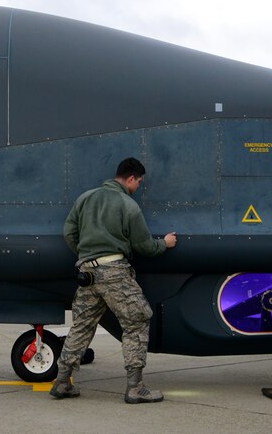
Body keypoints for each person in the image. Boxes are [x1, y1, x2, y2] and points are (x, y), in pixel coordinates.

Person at [50, 157, 177, 404]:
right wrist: (166, 243)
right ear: (130, 178)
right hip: (114, 272)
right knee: (138, 320)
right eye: (139, 182)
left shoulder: (85, 198)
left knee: (82, 326)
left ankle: (62, 382)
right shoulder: (127, 205)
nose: (138, 187)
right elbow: (145, 246)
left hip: (87, 272)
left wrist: (88, 255)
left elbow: (69, 232)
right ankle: (135, 388)